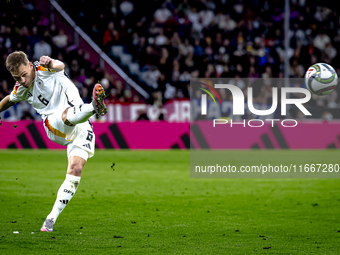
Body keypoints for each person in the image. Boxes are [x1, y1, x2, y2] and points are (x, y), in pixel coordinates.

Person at [0, 51, 107, 232]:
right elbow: (9, 100)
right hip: (54, 125)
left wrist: (50, 63)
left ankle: (50, 220)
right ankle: (94, 107)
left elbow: (60, 66)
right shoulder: (22, 88)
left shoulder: (43, 67)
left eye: (24, 75)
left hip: (81, 123)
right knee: (65, 115)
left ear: (29, 65)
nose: (23, 80)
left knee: (75, 171)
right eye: (17, 77)